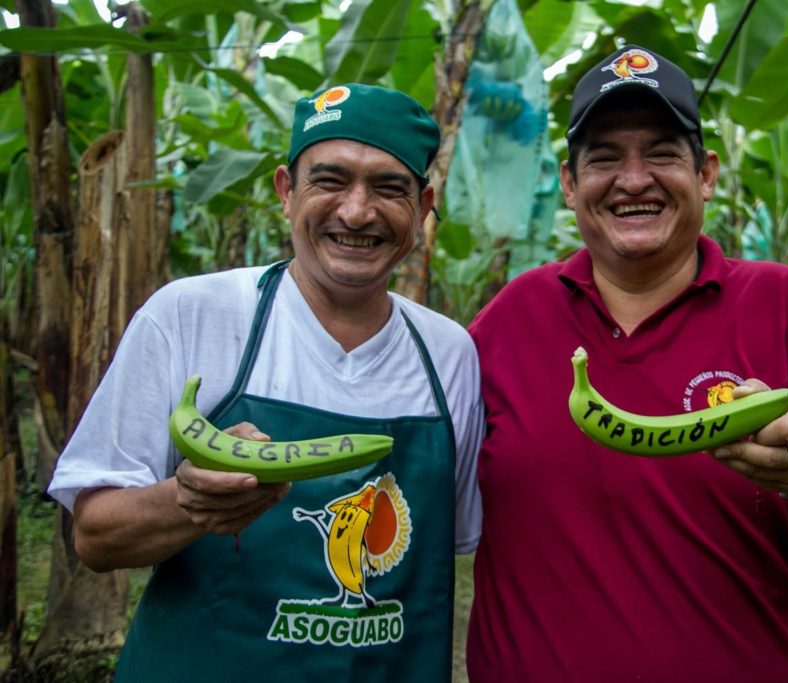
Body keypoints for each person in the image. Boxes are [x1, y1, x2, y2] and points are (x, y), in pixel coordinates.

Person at [465, 45, 788, 682]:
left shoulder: (782, 302)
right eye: (603, 157)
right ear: (568, 184)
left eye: (660, 152)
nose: (633, 179)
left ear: (705, 173)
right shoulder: (512, 318)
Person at [47, 83, 483, 682]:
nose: (357, 212)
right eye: (329, 181)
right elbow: (94, 538)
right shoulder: (192, 314)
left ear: (424, 204)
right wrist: (186, 501)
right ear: (285, 191)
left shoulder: (449, 354)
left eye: (389, 188)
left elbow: (449, 544)